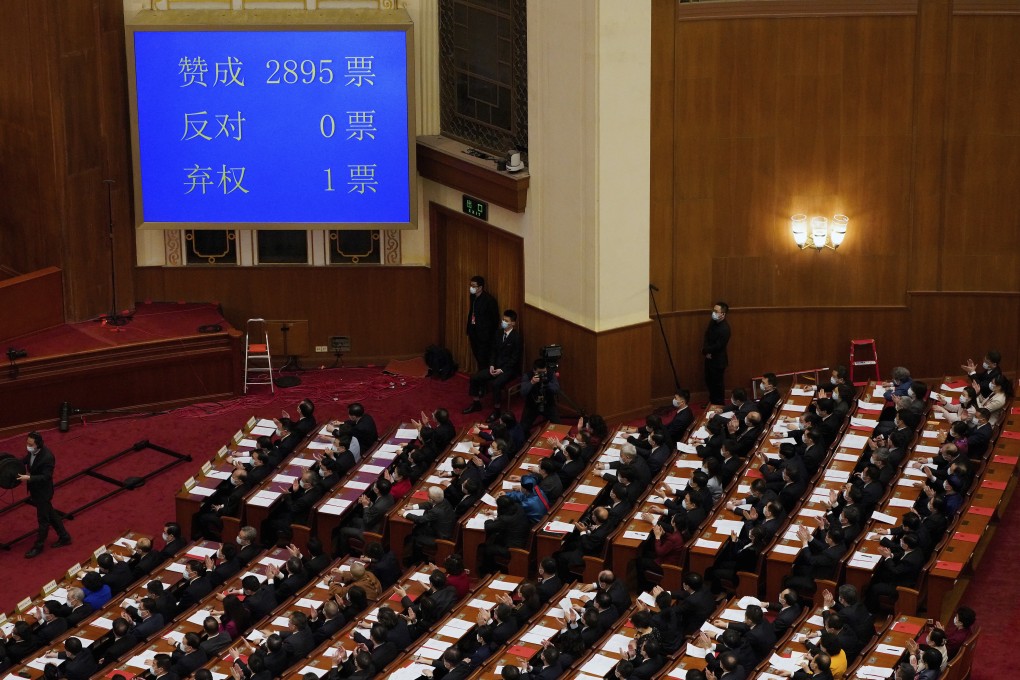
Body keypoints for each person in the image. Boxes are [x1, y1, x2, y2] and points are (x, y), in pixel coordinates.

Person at [19, 432, 72, 558]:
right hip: (36, 490)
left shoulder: (47, 457)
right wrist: (13, 464)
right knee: (51, 513)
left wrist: (29, 477)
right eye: (27, 443)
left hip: (43, 492)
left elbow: (46, 476)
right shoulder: (33, 451)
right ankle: (64, 537)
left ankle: (38, 546)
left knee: (43, 520)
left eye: (30, 444)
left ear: (38, 444)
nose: (28, 446)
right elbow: (26, 460)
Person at [464, 309, 523, 419]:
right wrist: (491, 365)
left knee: (496, 384)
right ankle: (476, 403)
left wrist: (502, 370)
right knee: (475, 378)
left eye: (506, 320)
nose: (503, 322)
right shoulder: (498, 333)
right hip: (495, 366)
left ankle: (497, 410)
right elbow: (493, 351)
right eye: (503, 319)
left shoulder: (516, 338)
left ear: (513, 323)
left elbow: (514, 359)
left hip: (509, 370)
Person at [466, 275, 500, 372]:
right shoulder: (472, 297)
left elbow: (495, 319)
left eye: (473, 286)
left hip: (484, 336)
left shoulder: (490, 300)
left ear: (480, 287)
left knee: (483, 359)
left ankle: (483, 380)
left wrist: (489, 334)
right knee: (477, 355)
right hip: (473, 332)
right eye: (470, 285)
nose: (471, 288)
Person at [518, 358, 560, 432]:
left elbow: (556, 389)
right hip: (532, 405)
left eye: (544, 372)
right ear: (534, 371)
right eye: (540, 372)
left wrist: (547, 383)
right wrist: (531, 382)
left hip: (548, 404)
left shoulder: (550, 374)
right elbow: (523, 392)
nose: (542, 374)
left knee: (559, 426)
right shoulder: (527, 375)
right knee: (523, 428)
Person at [702, 301, 731, 406]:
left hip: (718, 361)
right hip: (709, 357)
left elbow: (719, 346)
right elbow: (707, 335)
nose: (713, 312)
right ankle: (712, 402)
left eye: (716, 311)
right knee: (709, 381)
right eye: (713, 310)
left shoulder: (725, 329)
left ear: (722, 314)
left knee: (717, 384)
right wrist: (706, 350)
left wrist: (708, 351)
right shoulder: (712, 322)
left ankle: (718, 404)